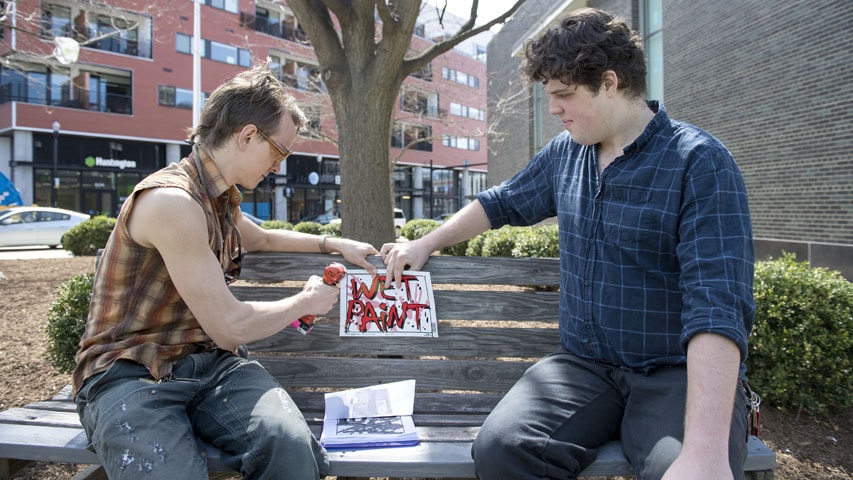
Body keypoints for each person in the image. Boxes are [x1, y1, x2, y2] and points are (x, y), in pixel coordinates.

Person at [381, 8, 755, 480]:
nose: (553, 108)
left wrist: (704, 454)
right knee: (502, 448)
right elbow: (501, 204)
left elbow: (717, 306)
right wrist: (425, 243)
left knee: (679, 470)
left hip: (673, 374)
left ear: (610, 82)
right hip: (585, 369)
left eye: (563, 95)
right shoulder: (566, 153)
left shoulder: (699, 163)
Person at [72, 64, 378, 479]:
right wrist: (306, 302)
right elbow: (230, 326)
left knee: (291, 448)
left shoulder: (218, 198)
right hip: (131, 372)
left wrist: (331, 243)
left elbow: (263, 238)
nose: (279, 166)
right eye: (280, 151)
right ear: (248, 135)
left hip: (210, 366)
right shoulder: (172, 203)